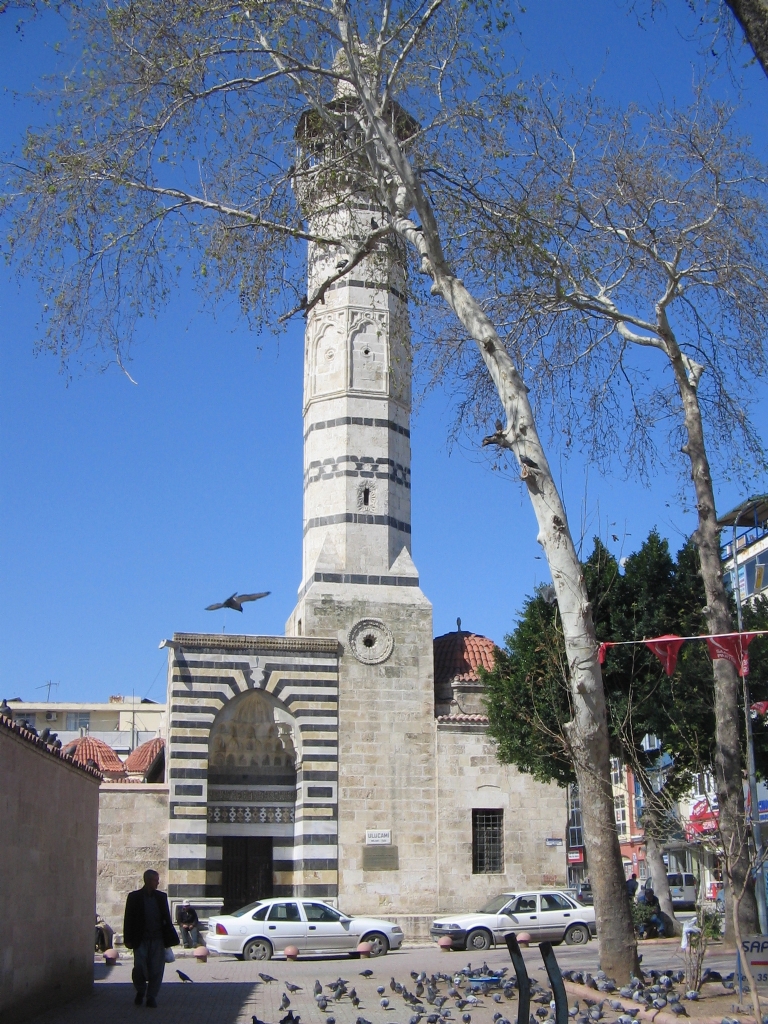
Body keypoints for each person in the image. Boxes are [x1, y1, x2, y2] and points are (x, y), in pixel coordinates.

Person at [123, 869, 179, 1008]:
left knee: (156, 969)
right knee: (140, 969)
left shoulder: (161, 897)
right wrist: (128, 938)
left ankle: (151, 996)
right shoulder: (134, 897)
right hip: (140, 939)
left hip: (158, 939)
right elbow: (128, 919)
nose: (158, 882)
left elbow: (166, 917)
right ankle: (141, 990)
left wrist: (169, 937)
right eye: (156, 880)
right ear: (148, 880)